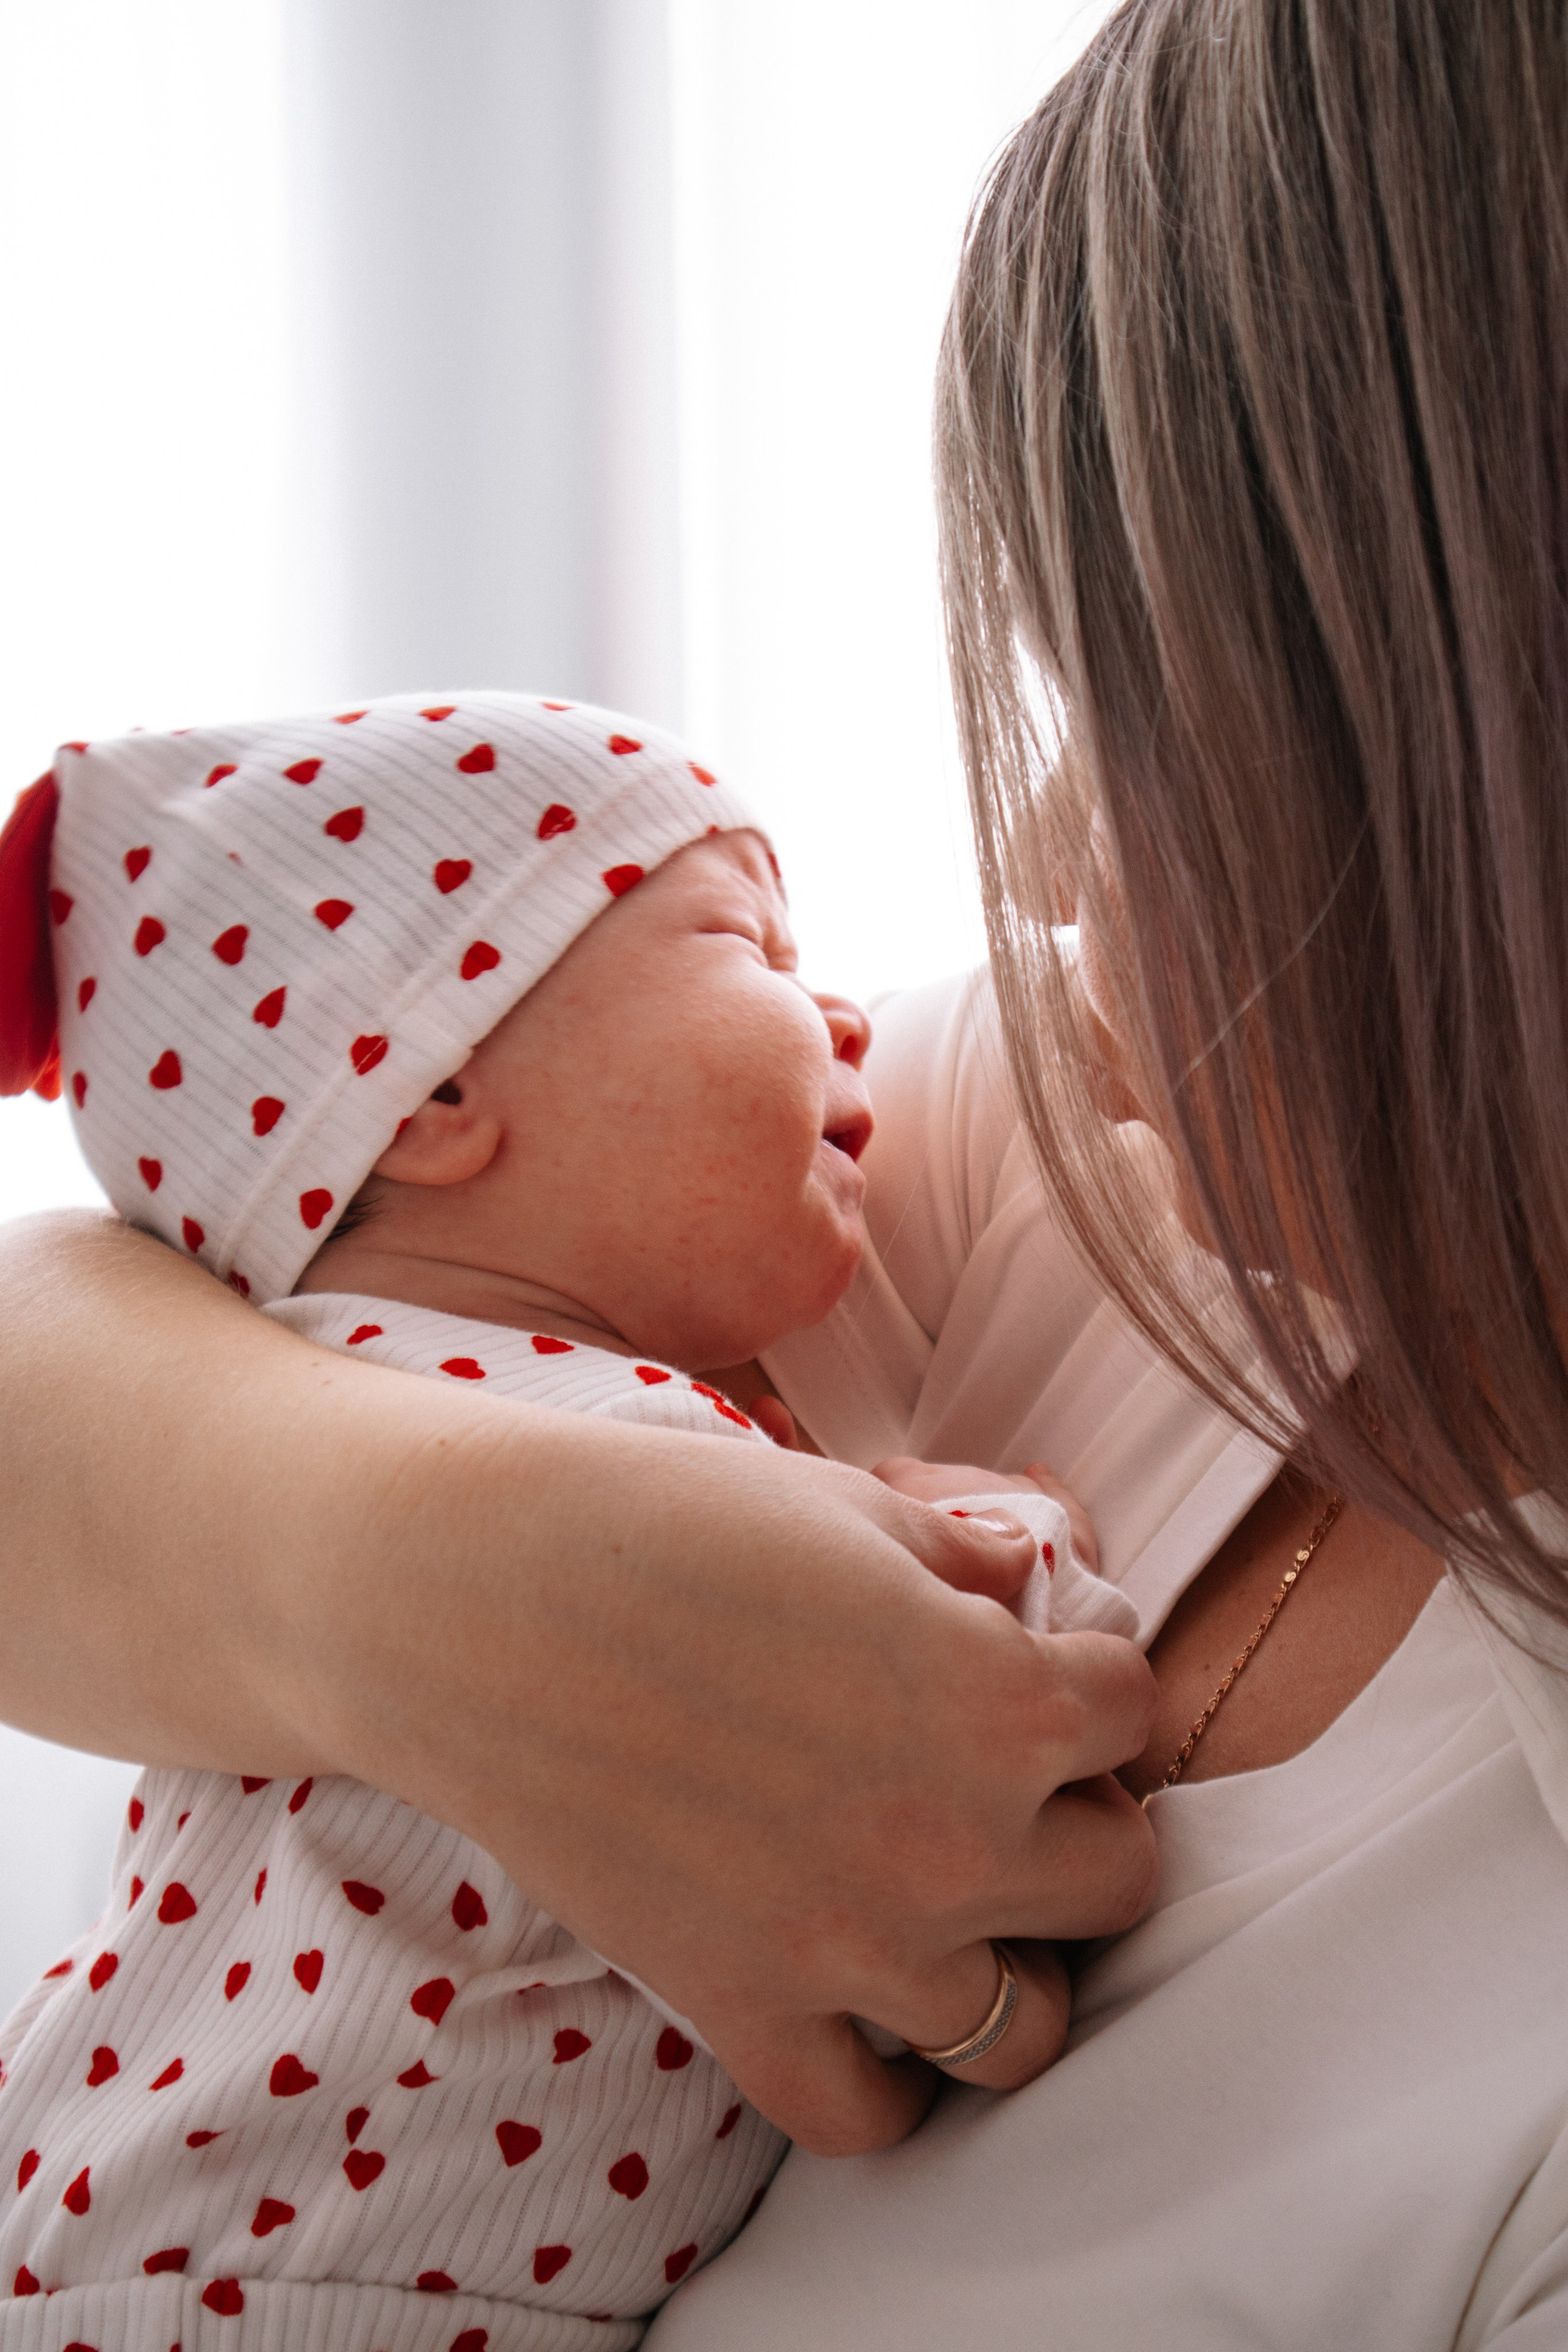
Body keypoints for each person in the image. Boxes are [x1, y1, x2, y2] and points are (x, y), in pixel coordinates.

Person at [2, 0, 1562, 2340]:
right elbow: (65, 1338)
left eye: (1146, 717)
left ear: (1463, 756)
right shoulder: (1106, 1172)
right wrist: (437, 1591)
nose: (1041, 851)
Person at [0, 693, 1133, 2346]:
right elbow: (974, 1702)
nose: (843, 1014)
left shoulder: (328, 1377)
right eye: (746, 942)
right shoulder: (598, 1445)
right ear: (442, 1083)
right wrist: (999, 1533)